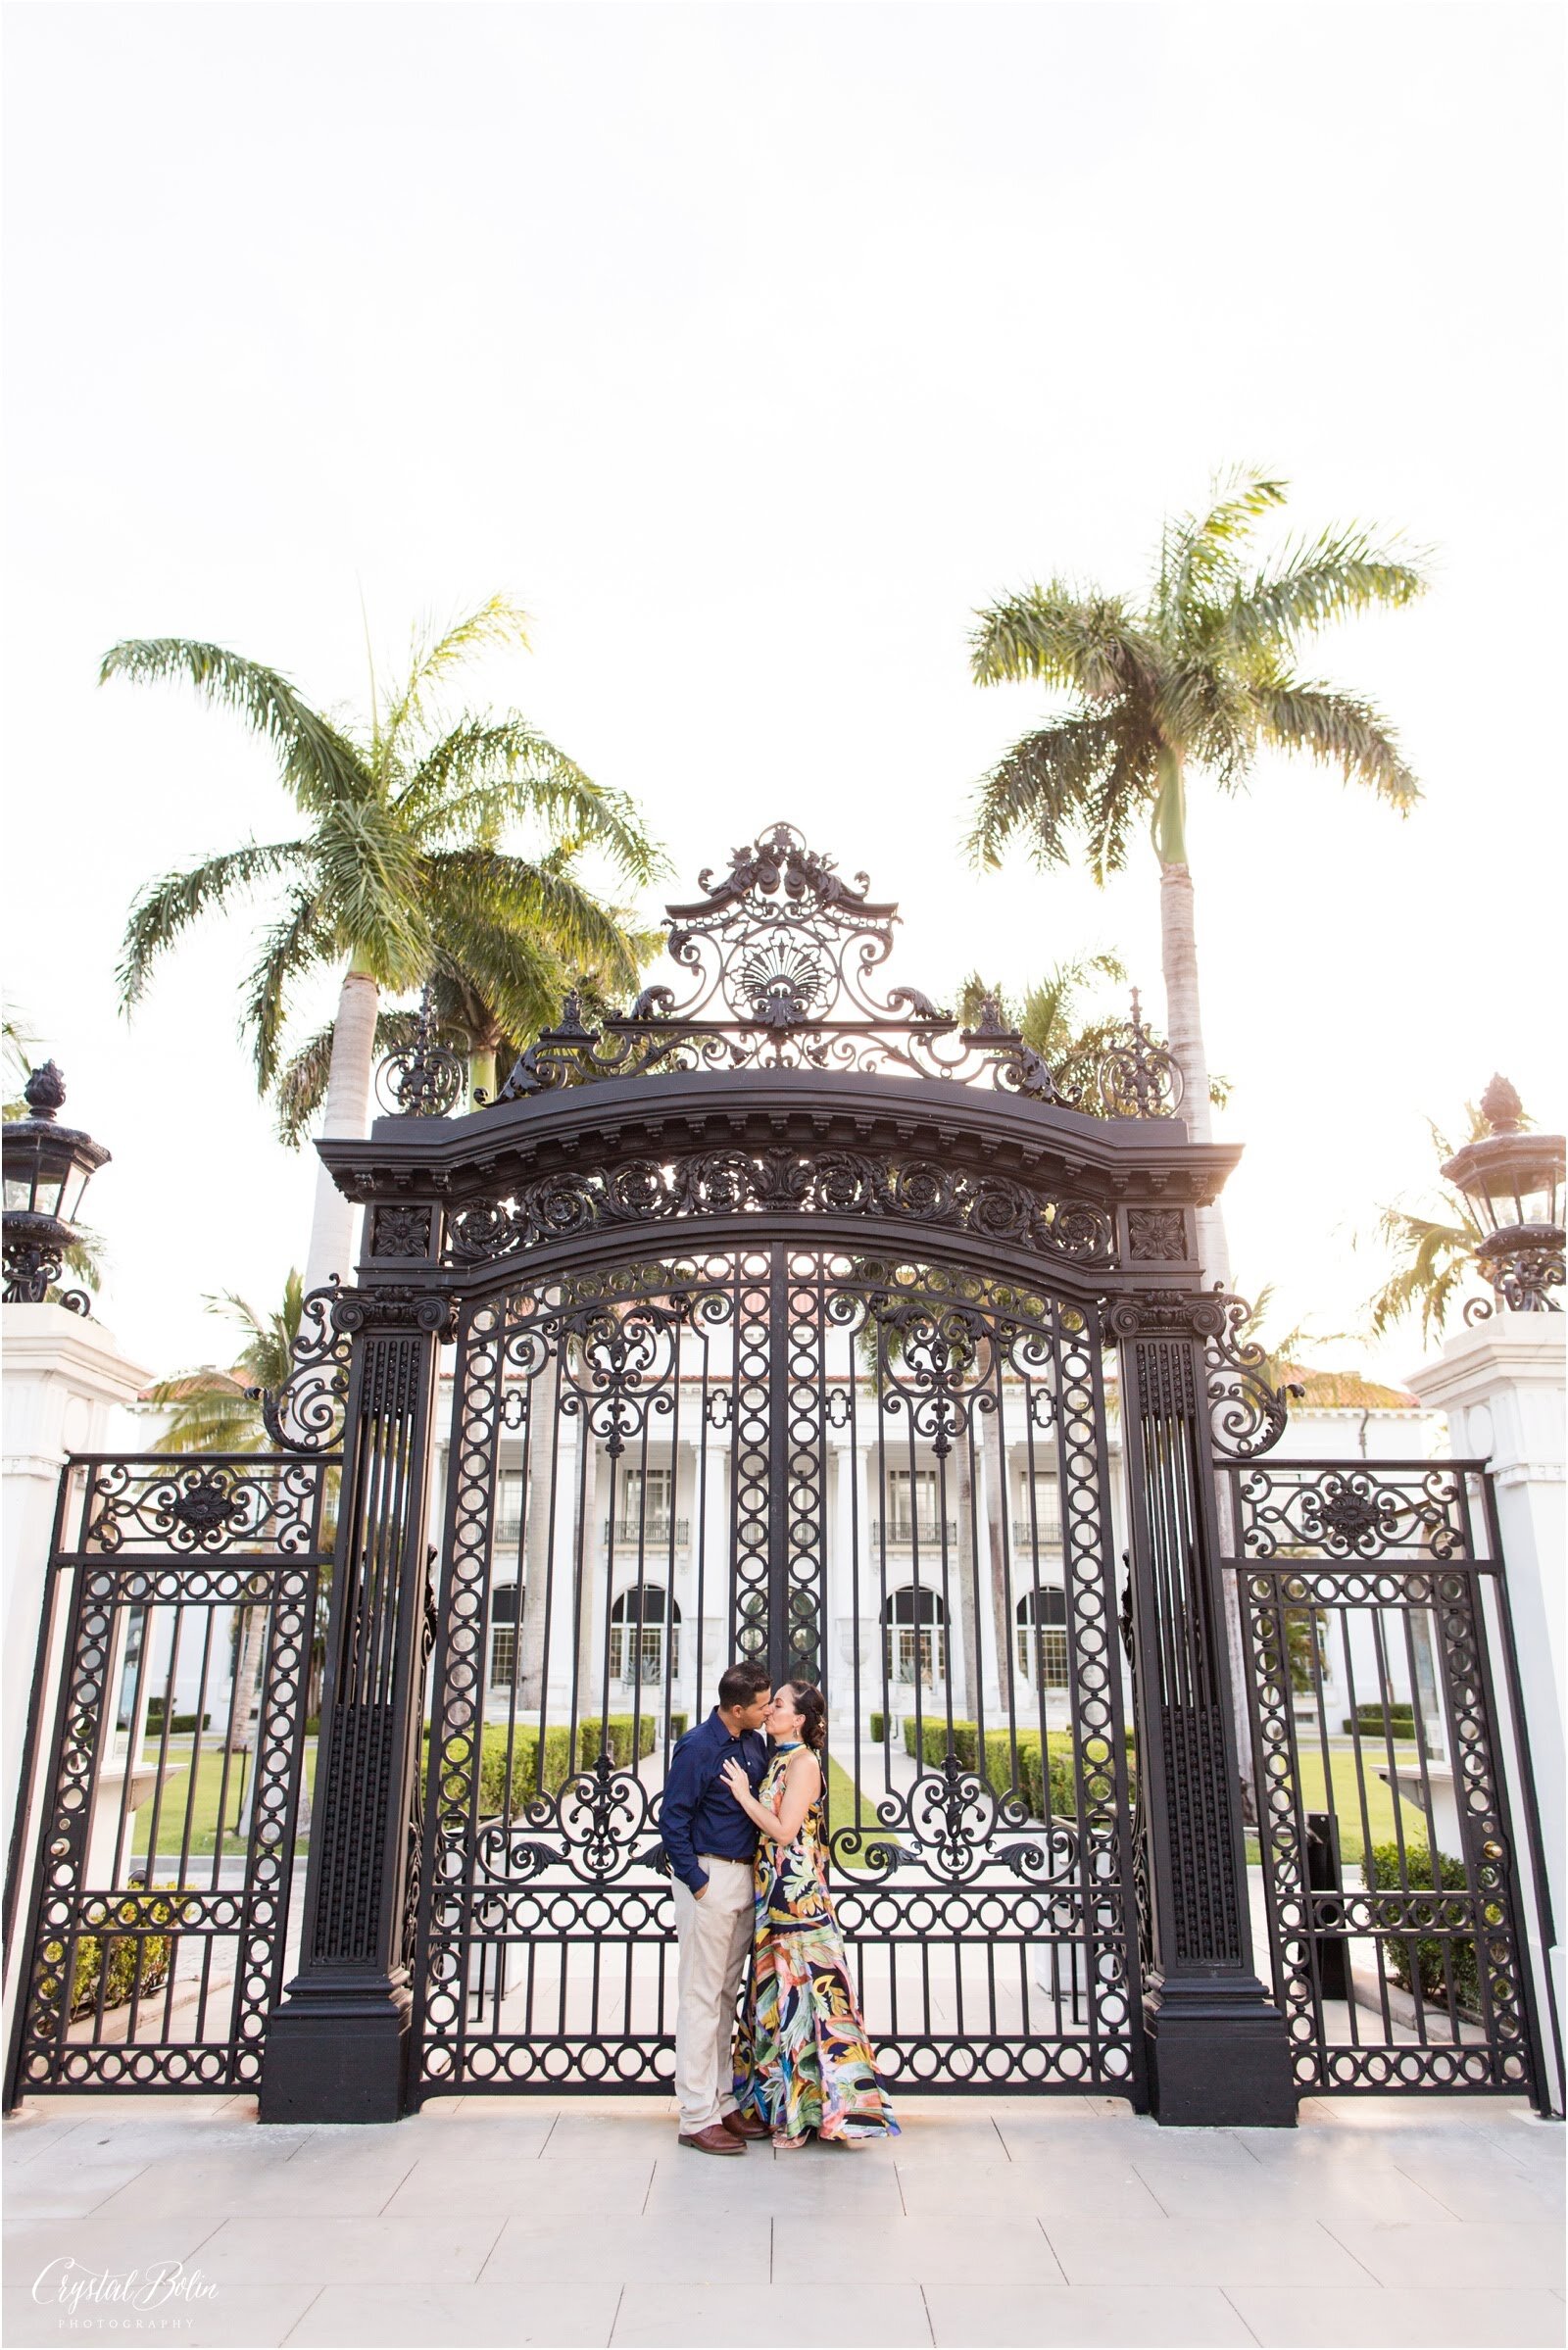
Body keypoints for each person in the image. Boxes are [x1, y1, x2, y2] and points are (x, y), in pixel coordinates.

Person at [722, 1680, 899, 2148]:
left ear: (798, 1718)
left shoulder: (803, 1763)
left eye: (778, 1703)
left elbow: (783, 1831)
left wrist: (743, 1795)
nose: (769, 1709)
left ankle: (814, 2115)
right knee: (778, 2006)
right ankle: (781, 2109)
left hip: (799, 1901)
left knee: (808, 2005)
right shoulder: (773, 1755)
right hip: (772, 1896)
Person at [660, 1658, 773, 2156]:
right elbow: (673, 1818)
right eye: (762, 1705)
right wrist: (697, 1882)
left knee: (726, 1996)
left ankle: (723, 2101)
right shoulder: (698, 1747)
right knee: (701, 1999)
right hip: (710, 1877)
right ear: (736, 1708)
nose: (768, 1712)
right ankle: (695, 2115)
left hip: (744, 1877)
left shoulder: (753, 1740)